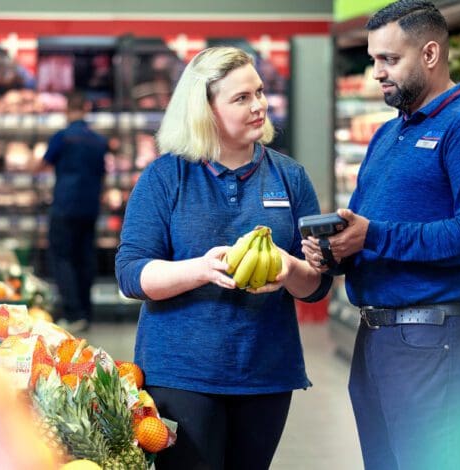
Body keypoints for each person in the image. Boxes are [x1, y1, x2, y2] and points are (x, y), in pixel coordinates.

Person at [301, 1, 460, 469]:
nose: (376, 72)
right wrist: (336, 251)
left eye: (389, 60)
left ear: (431, 54)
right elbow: (367, 230)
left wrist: (372, 235)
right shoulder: (387, 136)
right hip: (377, 339)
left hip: (436, 340)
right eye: (373, 58)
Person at [115, 46, 332, 470]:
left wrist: (289, 270)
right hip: (178, 372)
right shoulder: (165, 177)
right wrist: (201, 269)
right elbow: (131, 273)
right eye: (241, 98)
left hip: (266, 372)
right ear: (204, 110)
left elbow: (317, 283)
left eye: (260, 92)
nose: (259, 106)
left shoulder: (290, 177)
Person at [42, 92, 108, 332]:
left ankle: (73, 313)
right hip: (89, 208)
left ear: (68, 110)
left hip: (65, 205)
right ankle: (86, 313)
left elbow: (43, 164)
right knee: (85, 259)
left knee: (63, 258)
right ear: (86, 109)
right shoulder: (99, 141)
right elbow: (103, 174)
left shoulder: (63, 137)